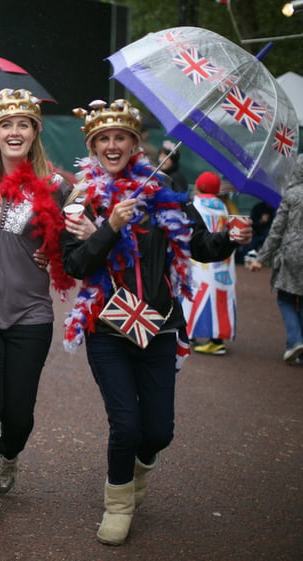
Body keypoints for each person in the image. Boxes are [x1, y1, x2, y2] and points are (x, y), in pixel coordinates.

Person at [61, 99, 252, 545]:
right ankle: (118, 504)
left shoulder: (164, 189)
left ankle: (139, 472)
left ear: (134, 143)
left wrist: (230, 236)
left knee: (159, 432)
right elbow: (74, 263)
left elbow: (199, 244)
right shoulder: (80, 198)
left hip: (162, 325)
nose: (112, 145)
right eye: (103, 139)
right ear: (92, 146)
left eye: (120, 138)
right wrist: (109, 226)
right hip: (107, 327)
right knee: (125, 424)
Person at [0, 89, 76, 527]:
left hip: (30, 314)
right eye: (6, 124)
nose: (14, 132)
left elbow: (77, 243)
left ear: (35, 132)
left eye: (23, 124)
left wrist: (55, 252)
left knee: (19, 414)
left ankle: (8, 454)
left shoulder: (58, 187)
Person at [248, 153, 303, 364]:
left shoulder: (291, 195)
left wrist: (261, 258)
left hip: (291, 252)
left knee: (285, 298)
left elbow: (277, 230)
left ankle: (295, 340)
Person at [182, 171, 237, 356]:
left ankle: (188, 335)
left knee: (192, 298)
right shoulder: (223, 206)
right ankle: (217, 340)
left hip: (200, 261)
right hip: (221, 260)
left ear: (198, 186)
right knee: (219, 300)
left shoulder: (195, 203)